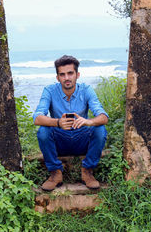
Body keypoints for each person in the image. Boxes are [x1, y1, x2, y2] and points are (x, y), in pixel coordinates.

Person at [33, 55, 108, 191]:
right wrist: (58, 122)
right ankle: (55, 173)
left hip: (81, 140)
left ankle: (87, 171)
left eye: (70, 73)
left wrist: (87, 121)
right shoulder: (49, 90)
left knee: (100, 129)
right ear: (57, 78)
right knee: (43, 131)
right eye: (62, 74)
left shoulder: (86, 90)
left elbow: (103, 117)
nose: (66, 78)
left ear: (77, 75)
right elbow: (37, 118)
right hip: (60, 141)